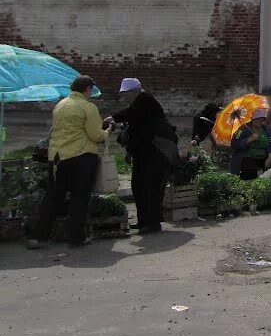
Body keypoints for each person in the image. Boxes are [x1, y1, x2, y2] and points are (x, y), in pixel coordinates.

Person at [27, 75, 109, 248]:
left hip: (57, 158)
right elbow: (96, 135)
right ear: (87, 89)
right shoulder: (88, 107)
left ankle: (38, 236)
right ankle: (76, 237)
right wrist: (108, 130)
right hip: (82, 158)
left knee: (53, 198)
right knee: (79, 198)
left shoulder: (60, 105)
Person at [108, 78, 172, 234]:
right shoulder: (138, 103)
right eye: (124, 93)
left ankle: (152, 223)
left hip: (153, 153)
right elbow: (134, 126)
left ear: (136, 91)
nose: (125, 96)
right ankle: (144, 221)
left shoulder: (145, 101)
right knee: (139, 187)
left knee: (149, 187)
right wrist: (130, 151)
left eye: (127, 93)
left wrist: (113, 118)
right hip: (143, 153)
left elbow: (132, 116)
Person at [230, 108, 271, 180]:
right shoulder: (242, 129)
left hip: (264, 156)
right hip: (248, 157)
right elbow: (234, 144)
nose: (259, 122)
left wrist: (269, 158)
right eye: (257, 119)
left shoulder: (266, 129)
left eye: (261, 120)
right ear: (252, 120)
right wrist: (249, 140)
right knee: (250, 170)